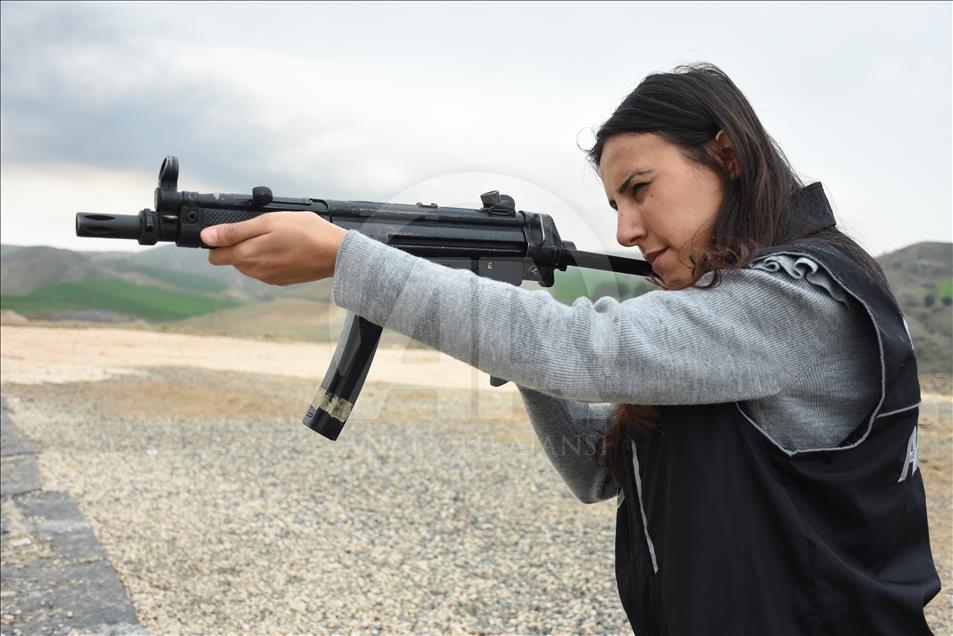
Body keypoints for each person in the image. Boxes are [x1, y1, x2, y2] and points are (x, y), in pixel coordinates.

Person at [199, 63, 940, 634]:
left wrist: (348, 258)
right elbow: (598, 471)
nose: (623, 228)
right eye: (615, 201)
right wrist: (520, 340)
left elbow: (583, 350)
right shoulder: (713, 324)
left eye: (640, 188)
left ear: (726, 155)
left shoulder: (799, 297)